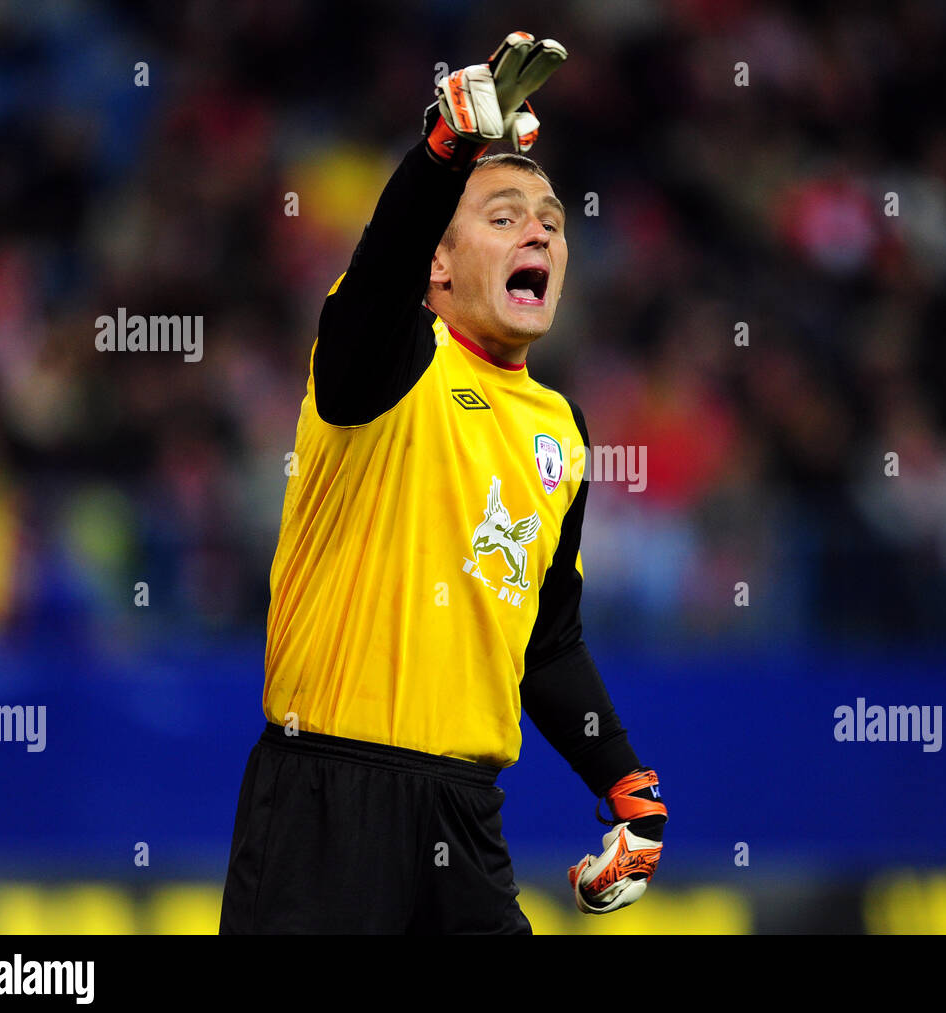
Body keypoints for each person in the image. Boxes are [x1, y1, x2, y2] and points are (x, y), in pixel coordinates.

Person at [219, 31, 667, 934]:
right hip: (324, 807)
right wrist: (442, 154)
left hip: (465, 818)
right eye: (502, 217)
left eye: (550, 220)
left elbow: (544, 636)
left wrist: (623, 779)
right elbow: (380, 278)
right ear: (439, 261)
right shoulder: (388, 361)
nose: (538, 228)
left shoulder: (560, 434)